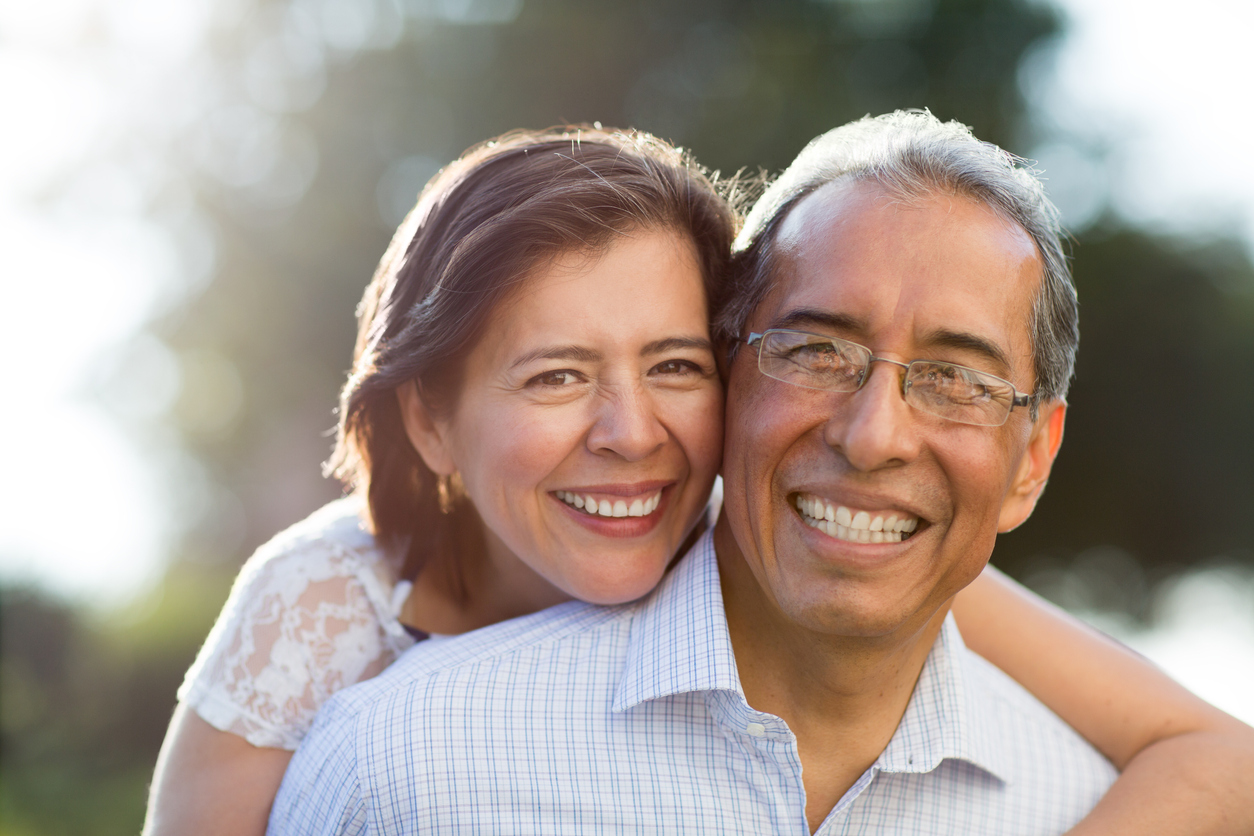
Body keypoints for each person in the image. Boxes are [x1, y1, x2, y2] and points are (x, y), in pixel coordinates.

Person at [149, 124, 1251, 836]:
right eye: (556, 375)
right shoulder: (330, 622)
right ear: (431, 421)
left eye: (673, 365)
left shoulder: (814, 527)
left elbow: (1212, 749)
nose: (631, 432)